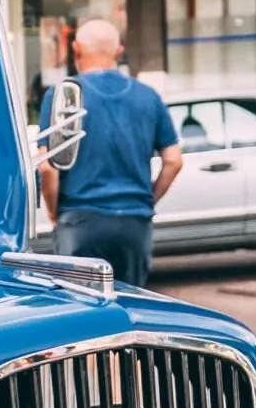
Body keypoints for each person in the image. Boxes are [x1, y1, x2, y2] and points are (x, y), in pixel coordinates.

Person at [37, 18, 182, 286]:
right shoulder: (149, 96)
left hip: (80, 220)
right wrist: (146, 200)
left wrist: (55, 214)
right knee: (131, 306)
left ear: (76, 50)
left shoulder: (64, 96)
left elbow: (48, 167)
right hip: (134, 223)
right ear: (119, 51)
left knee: (84, 313)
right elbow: (173, 161)